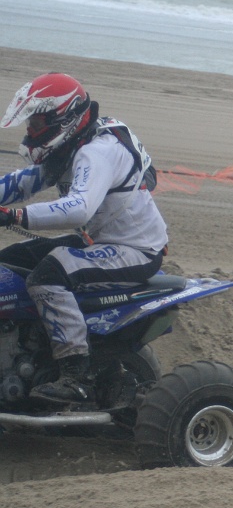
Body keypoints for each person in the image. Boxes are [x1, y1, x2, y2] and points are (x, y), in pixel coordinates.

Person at [0, 72, 168, 405]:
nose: (31, 131)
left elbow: (78, 208)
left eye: (37, 124)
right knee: (10, 261)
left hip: (135, 250)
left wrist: (16, 216)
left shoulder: (97, 152)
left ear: (65, 117)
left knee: (48, 275)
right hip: (104, 242)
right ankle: (27, 351)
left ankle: (74, 376)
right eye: (30, 124)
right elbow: (23, 183)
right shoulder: (73, 144)